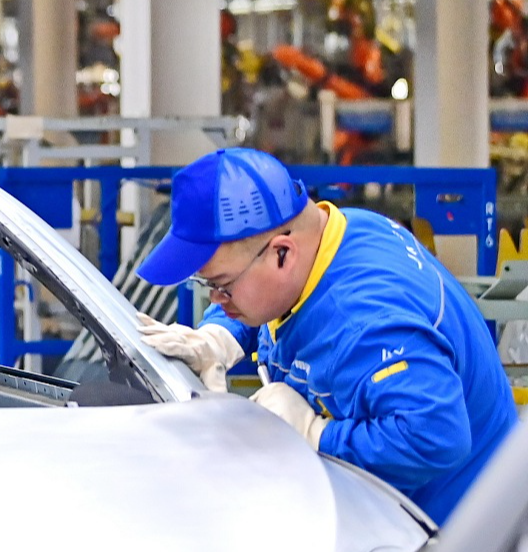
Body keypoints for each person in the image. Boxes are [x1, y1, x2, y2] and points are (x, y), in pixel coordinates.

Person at [134, 148, 517, 528]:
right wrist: (220, 335)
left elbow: (438, 437)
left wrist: (317, 434)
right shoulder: (327, 235)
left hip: (452, 532)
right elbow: (268, 293)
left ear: (283, 254)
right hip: (383, 512)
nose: (217, 299)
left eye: (221, 286)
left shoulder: (368, 322)